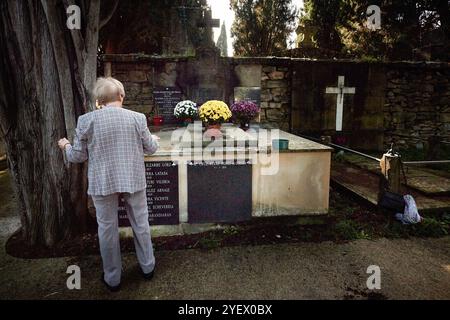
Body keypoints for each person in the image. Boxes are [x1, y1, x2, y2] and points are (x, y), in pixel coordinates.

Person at [58, 77, 159, 292]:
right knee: (140, 223)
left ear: (99, 100)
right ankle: (148, 267)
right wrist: (156, 140)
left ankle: (113, 278)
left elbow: (77, 156)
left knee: (107, 229)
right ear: (121, 95)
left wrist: (65, 145)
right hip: (133, 178)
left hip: (102, 181)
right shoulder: (137, 118)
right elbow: (150, 148)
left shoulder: (86, 120)